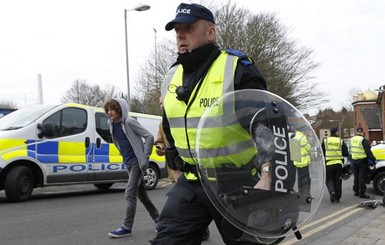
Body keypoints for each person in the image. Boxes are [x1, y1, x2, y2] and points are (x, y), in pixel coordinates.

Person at [151, 3, 273, 245]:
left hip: (237, 182)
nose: (180, 34)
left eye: (188, 27)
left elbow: (266, 123)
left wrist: (268, 172)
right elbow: (170, 127)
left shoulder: (236, 68)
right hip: (192, 182)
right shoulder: (170, 77)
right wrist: (174, 168)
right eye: (176, 30)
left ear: (210, 32)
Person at [103, 98, 160, 238]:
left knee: (129, 193)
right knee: (142, 195)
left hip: (136, 162)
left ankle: (126, 227)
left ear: (120, 109)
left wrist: (145, 157)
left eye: (113, 109)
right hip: (128, 162)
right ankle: (160, 221)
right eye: (108, 110)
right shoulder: (111, 124)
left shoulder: (129, 122)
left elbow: (149, 136)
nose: (110, 112)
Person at [321, 127, 349, 203]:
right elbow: (346, 153)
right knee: (338, 180)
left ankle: (332, 191)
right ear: (336, 132)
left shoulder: (325, 141)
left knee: (329, 180)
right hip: (338, 164)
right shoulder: (340, 141)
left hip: (329, 164)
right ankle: (338, 197)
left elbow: (322, 152)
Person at [349, 127, 376, 199]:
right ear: (362, 132)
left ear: (356, 132)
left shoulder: (352, 140)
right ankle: (362, 193)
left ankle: (356, 191)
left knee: (356, 176)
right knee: (362, 177)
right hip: (362, 161)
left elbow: (350, 150)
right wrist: (373, 159)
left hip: (354, 160)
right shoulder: (363, 140)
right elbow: (368, 151)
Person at [289, 128, 311, 199]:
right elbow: (309, 149)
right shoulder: (303, 138)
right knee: (306, 179)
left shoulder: (293, 137)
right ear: (303, 131)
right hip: (304, 162)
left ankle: (300, 192)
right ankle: (307, 193)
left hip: (296, 162)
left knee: (300, 178)